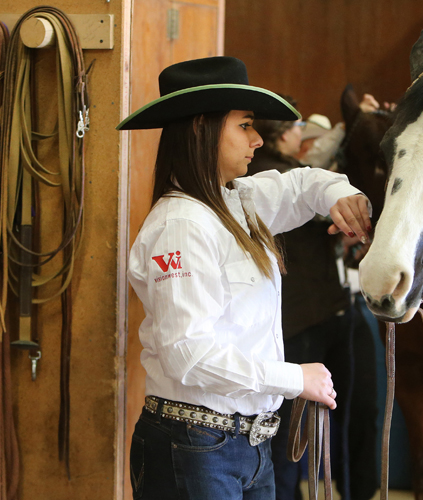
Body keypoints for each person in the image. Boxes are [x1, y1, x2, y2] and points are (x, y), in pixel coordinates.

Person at [118, 56, 372, 499]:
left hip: (242, 446)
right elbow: (189, 353)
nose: (256, 139)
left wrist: (343, 196)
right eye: (245, 125)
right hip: (195, 446)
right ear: (202, 128)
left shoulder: (238, 202)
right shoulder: (181, 226)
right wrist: (295, 378)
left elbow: (304, 185)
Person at [248, 104, 374, 500]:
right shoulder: (264, 176)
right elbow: (309, 178)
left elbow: (314, 176)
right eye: (298, 126)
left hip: (322, 314)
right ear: (283, 132)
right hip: (302, 323)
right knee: (295, 432)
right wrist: (347, 126)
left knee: (318, 427)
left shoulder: (275, 170)